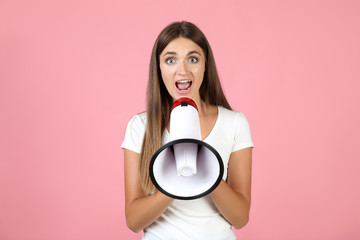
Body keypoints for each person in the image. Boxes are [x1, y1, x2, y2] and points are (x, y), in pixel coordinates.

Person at [121, 21, 254, 240]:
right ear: (159, 67)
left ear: (205, 65)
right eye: (170, 60)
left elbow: (240, 218)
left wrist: (206, 173)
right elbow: (133, 221)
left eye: (193, 59)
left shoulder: (234, 123)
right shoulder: (140, 126)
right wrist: (176, 184)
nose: (182, 70)